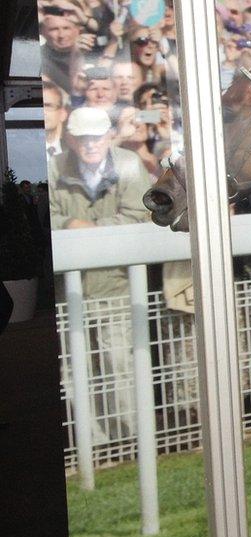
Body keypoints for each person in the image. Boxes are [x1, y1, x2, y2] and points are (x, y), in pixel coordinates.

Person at [48, 107, 153, 441]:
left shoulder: (129, 165)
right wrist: (68, 224)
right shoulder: (53, 167)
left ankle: (135, 439)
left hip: (115, 283)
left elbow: (140, 217)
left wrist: (87, 229)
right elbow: (44, 217)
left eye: (96, 136)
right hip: (70, 290)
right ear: (70, 138)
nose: (90, 144)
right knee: (73, 367)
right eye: (82, 137)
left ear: (109, 135)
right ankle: (95, 445)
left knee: (120, 362)